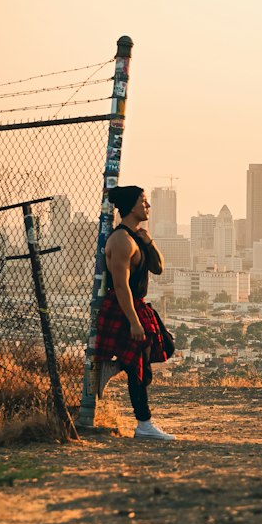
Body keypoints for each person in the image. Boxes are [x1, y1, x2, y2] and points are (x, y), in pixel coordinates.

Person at [94, 185, 177, 440]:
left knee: (167, 345)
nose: (148, 206)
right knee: (139, 366)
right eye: (143, 201)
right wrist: (133, 321)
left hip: (136, 305)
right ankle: (144, 424)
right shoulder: (120, 241)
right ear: (132, 206)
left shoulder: (136, 237)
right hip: (124, 306)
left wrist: (148, 240)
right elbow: (120, 284)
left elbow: (159, 268)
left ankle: (114, 366)